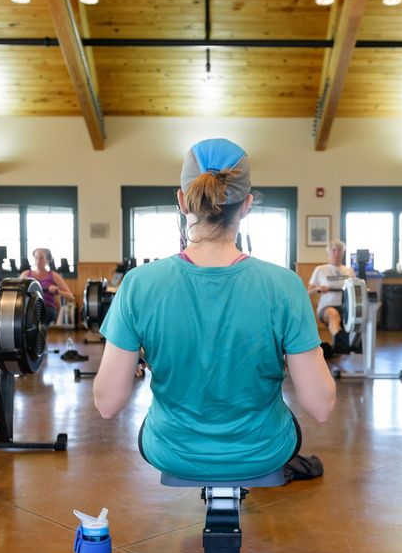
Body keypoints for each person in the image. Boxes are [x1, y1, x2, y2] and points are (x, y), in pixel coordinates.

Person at [92, 138, 335, 482]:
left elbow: (107, 403)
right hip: (263, 451)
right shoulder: (285, 285)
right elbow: (321, 406)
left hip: (171, 451)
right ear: (247, 205)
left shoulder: (138, 284)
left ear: (181, 200)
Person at [308, 240, 356, 358]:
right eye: (333, 250)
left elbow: (355, 289)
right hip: (326, 307)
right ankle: (342, 345)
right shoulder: (320, 269)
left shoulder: (349, 271)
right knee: (333, 314)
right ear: (329, 252)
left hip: (346, 307)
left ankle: (342, 346)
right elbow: (308, 292)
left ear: (343, 253)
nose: (336, 253)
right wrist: (318, 288)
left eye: (339, 250)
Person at [19, 247, 74, 325]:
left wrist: (57, 290)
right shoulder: (26, 274)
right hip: (29, 308)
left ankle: (40, 333)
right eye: (36, 257)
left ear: (47, 260)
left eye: (41, 258)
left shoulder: (54, 276)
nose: (38, 261)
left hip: (47, 308)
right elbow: (17, 292)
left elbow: (71, 297)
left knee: (38, 314)